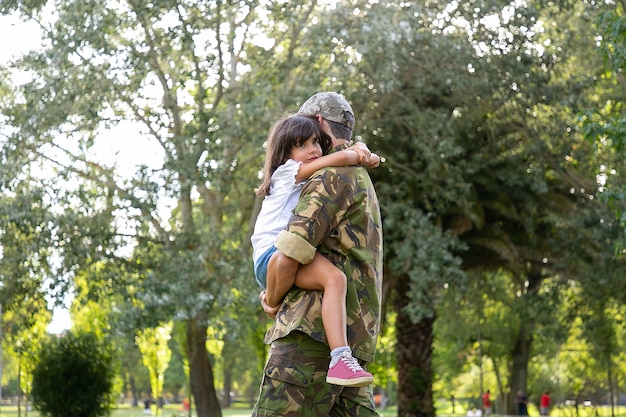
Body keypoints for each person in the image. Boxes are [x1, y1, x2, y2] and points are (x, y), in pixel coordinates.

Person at [252, 91, 383, 417]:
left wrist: (271, 297)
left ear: (320, 122)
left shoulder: (328, 177)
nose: (311, 149)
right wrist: (362, 153)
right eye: (302, 142)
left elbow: (289, 255)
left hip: (308, 341)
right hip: (350, 339)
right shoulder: (361, 179)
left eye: (312, 136)